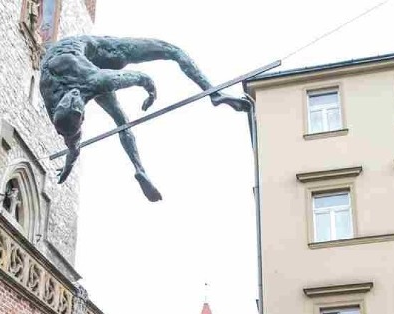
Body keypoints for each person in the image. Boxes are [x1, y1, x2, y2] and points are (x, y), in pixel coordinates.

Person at [39, 36, 249, 200]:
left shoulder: (96, 81)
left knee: (122, 120)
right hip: (84, 70)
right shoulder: (72, 105)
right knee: (171, 51)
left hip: (90, 51)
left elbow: (143, 79)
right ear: (80, 116)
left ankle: (214, 94)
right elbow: (74, 146)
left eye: (73, 97)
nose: (76, 95)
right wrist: (67, 166)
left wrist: (151, 93)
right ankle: (140, 170)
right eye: (78, 101)